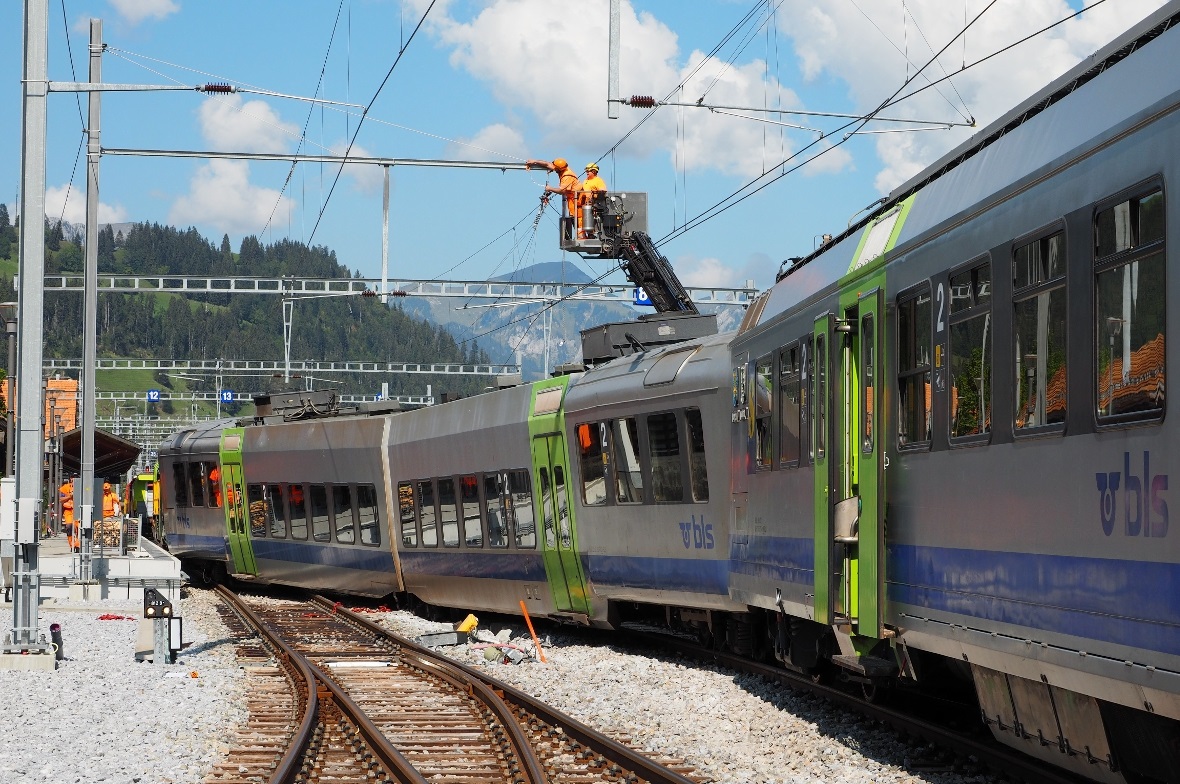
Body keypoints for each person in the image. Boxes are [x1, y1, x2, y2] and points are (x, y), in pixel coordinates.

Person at [578, 162, 607, 239]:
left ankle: (592, 233)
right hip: (586, 204)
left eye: (588, 171)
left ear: (594, 171)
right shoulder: (585, 181)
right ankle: (585, 234)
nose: (586, 172)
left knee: (593, 219)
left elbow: (602, 191)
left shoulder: (598, 180)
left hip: (595, 203)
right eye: (586, 171)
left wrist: (593, 196)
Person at [60, 480, 76, 551]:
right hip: (68, 511)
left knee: (79, 529)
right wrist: (70, 496)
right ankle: (72, 545)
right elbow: (61, 499)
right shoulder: (64, 488)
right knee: (69, 527)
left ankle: (78, 545)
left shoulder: (82, 487)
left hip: (78, 510)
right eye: (72, 480)